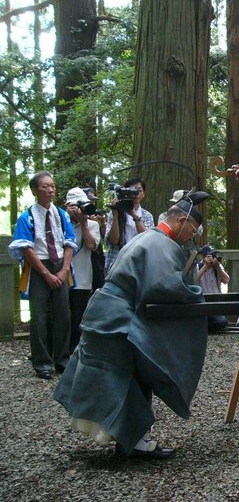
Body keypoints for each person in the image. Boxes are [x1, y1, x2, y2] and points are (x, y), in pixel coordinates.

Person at [54, 191, 210, 459]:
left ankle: (132, 440)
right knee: (123, 378)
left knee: (120, 375)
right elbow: (161, 288)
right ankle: (134, 443)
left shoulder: (147, 237)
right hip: (116, 320)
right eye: (192, 230)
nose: (191, 236)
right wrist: (193, 292)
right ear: (181, 220)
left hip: (106, 315)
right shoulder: (161, 244)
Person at [8, 171, 77, 379]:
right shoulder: (27, 216)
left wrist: (64, 270)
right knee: (39, 316)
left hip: (61, 265)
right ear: (35, 190)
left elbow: (69, 242)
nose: (51, 190)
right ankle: (42, 362)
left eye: (53, 186)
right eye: (46, 186)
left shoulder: (62, 215)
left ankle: (62, 359)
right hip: (39, 266)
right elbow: (26, 249)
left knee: (63, 314)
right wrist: (46, 273)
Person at [65, 188, 101, 351]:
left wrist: (84, 224)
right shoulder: (60, 222)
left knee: (78, 316)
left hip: (82, 278)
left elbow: (92, 246)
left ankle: (74, 349)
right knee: (60, 315)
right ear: (68, 206)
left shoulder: (92, 224)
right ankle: (57, 349)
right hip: (62, 277)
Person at [105, 177, 154, 272]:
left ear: (143, 194)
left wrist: (134, 215)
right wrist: (115, 214)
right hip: (117, 263)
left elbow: (147, 240)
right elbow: (113, 240)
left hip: (139, 264)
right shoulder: (116, 212)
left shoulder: (147, 216)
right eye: (132, 191)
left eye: (139, 190)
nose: (135, 194)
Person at [197, 244, 231, 333]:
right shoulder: (198, 267)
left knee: (222, 322)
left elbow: (226, 280)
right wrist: (205, 267)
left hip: (215, 302)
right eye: (210, 256)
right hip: (202, 301)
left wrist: (218, 267)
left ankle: (205, 326)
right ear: (204, 257)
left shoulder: (217, 267)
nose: (212, 258)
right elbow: (193, 280)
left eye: (214, 255)